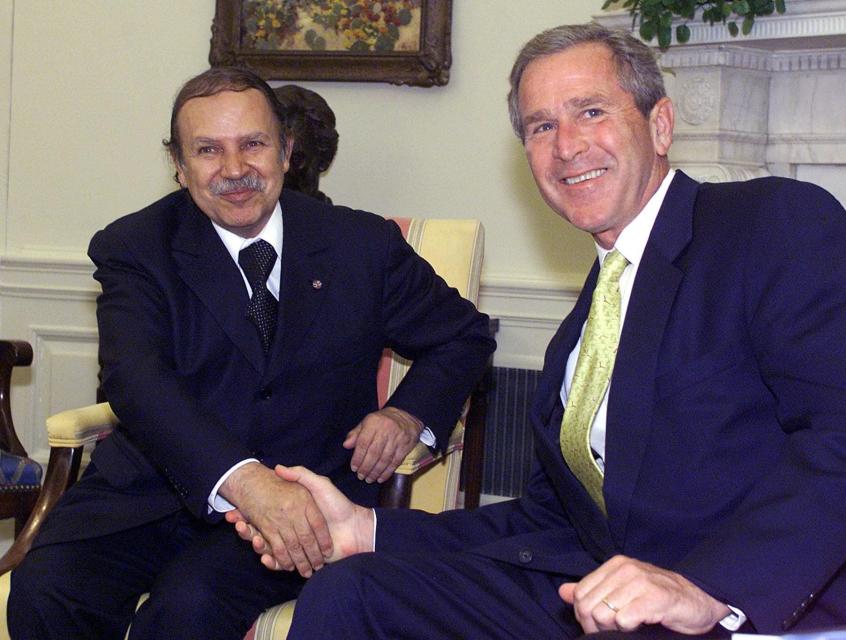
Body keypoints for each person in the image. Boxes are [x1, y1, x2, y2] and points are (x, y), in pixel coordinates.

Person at [232, 23, 846, 638]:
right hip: (608, 597)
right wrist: (367, 529)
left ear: (659, 125)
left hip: (761, 605)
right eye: (539, 127)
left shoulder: (771, 224)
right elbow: (548, 524)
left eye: (591, 112)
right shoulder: (586, 324)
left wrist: (708, 588)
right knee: (355, 593)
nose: (566, 147)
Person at [6, 66, 494, 640]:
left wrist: (406, 412)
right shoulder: (135, 248)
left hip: (303, 499)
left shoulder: (360, 244)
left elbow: (464, 335)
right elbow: (135, 381)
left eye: (253, 144)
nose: (234, 171)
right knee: (46, 589)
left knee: (189, 608)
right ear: (179, 165)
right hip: (151, 493)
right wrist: (245, 481)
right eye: (208, 150)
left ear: (286, 151)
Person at [274, 84, 339, 204]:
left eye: (297, 159)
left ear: (325, 160)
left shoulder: (347, 222)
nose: (286, 167)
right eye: (279, 156)